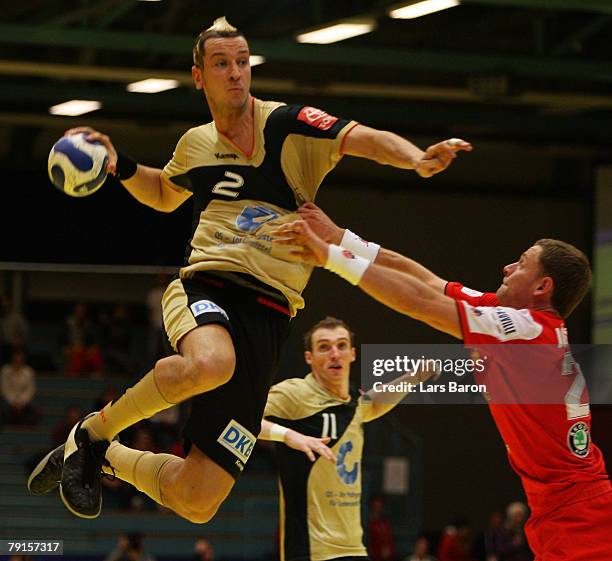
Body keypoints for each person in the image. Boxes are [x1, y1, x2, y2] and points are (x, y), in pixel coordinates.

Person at [27, 16, 471, 523]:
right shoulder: (195, 144)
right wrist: (121, 165)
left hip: (272, 313)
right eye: (222, 63)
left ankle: (94, 452)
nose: (236, 72)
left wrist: (415, 158)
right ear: (199, 76)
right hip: (209, 284)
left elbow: (362, 137)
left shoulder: (287, 124)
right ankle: (96, 431)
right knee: (211, 362)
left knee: (198, 498)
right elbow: (164, 194)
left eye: (243, 62)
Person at [272, 205, 612, 561]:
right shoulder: (519, 323)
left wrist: (330, 257)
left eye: (521, 263)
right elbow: (428, 283)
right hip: (566, 510)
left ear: (543, 286)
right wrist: (340, 237)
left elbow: (420, 302)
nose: (508, 268)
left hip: (579, 520)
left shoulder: (524, 331)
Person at [262, 317, 429, 561]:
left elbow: (371, 405)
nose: (334, 353)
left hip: (354, 548)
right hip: (311, 550)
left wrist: (413, 378)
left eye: (341, 346)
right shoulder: (296, 394)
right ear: (309, 357)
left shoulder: (352, 400)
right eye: (324, 347)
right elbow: (240, 417)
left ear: (352, 354)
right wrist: (289, 436)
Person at [0, 348, 39, 426]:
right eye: (16, 359)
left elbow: (30, 390)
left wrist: (21, 402)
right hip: (8, 401)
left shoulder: (29, 372)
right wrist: (13, 402)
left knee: (36, 409)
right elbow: (4, 389)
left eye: (20, 359)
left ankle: (27, 428)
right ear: (12, 359)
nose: (18, 361)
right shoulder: (5, 371)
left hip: (25, 402)